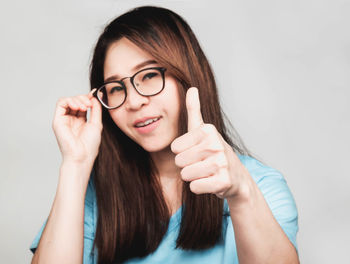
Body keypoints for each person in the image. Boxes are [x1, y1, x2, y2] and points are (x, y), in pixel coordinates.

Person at [29, 6, 299, 264]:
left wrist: (241, 193)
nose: (133, 102)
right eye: (115, 88)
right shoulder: (93, 198)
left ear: (188, 76)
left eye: (148, 76)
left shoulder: (260, 186)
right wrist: (75, 164)